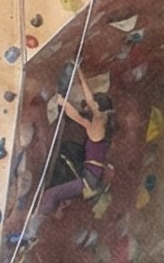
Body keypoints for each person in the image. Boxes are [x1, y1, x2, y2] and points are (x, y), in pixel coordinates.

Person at [34, 70, 110, 210]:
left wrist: (62, 102)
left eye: (92, 104)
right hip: (92, 173)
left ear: (97, 107)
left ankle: (38, 217)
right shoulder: (101, 119)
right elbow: (88, 102)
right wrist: (80, 71)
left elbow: (78, 116)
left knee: (50, 195)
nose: (88, 104)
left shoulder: (97, 126)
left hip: (89, 179)